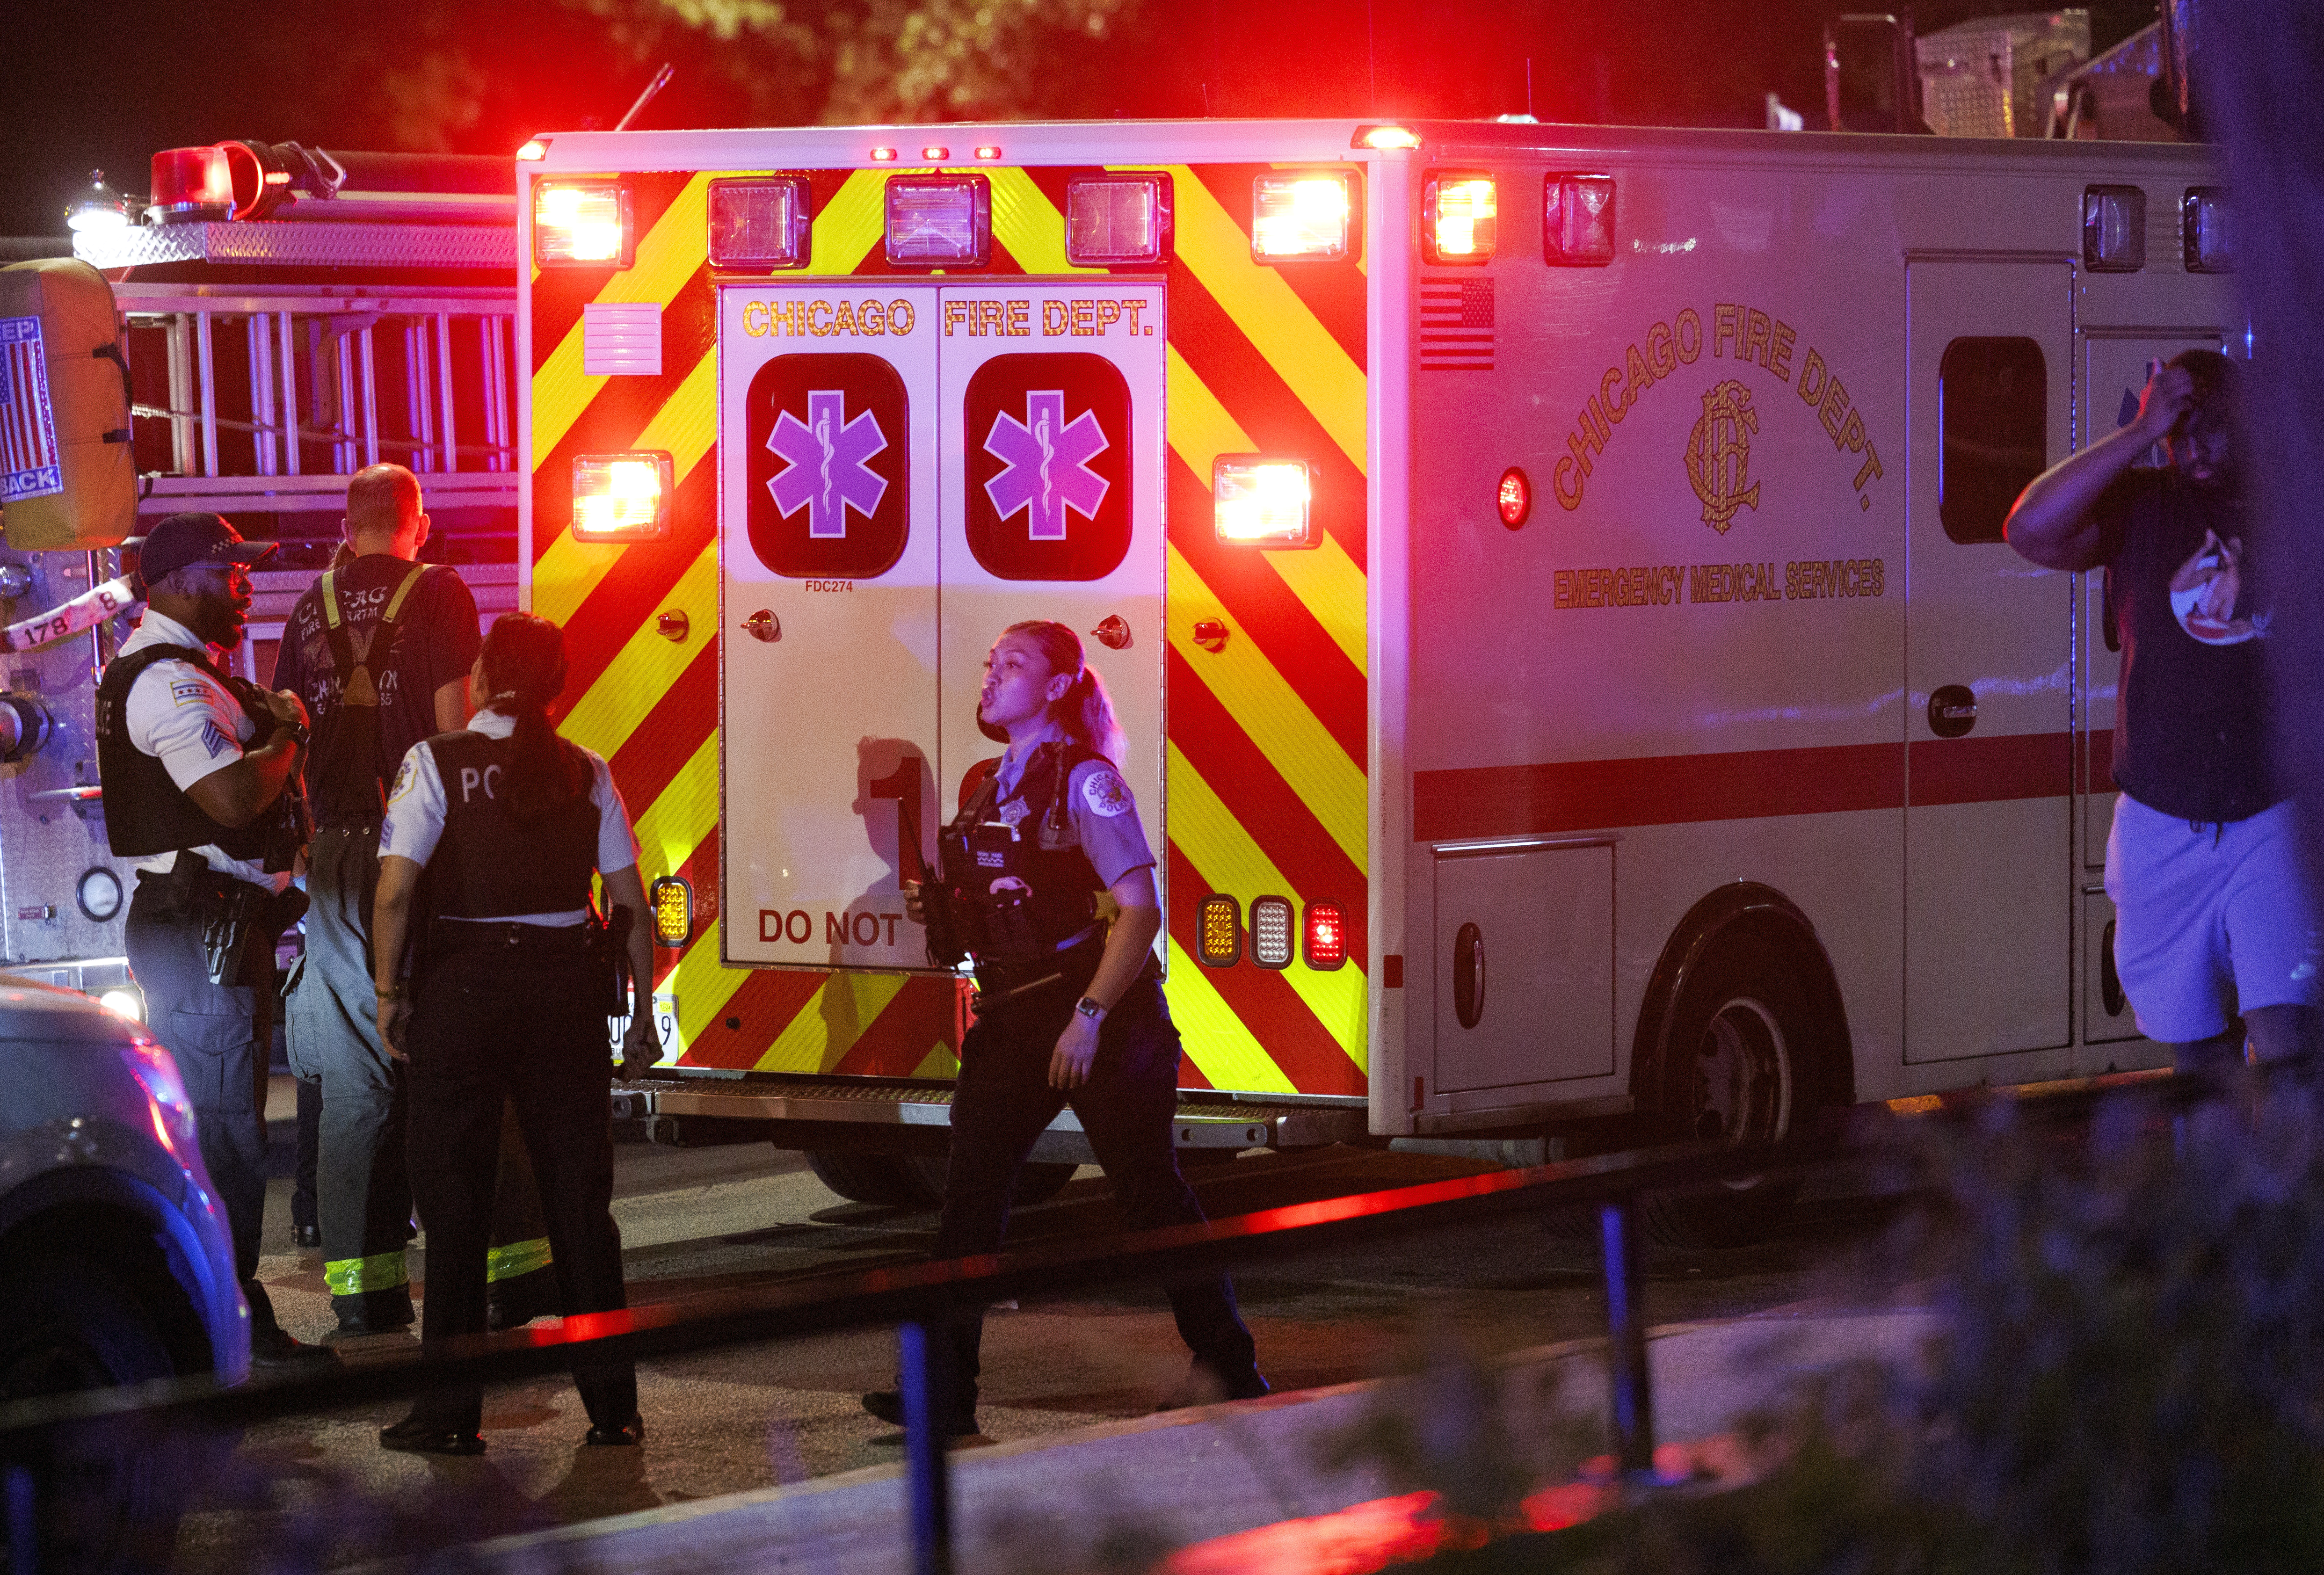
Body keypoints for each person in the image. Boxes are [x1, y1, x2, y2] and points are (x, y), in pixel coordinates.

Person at [863, 621, 1267, 1440]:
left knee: (1152, 1197)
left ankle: (1230, 1365)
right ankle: (945, 1395)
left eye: (1013, 665)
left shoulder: (1088, 783)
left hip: (1102, 1023)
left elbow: (1139, 910)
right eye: (990, 661)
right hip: (1013, 1018)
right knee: (968, 1204)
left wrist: (1088, 1018)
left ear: (1055, 688)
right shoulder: (988, 783)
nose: (992, 676)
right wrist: (946, 911)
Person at [368, 612, 657, 1454]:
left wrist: (390, 994)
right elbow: (630, 903)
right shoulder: (586, 770)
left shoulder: (434, 762)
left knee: (455, 1203)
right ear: (561, 683)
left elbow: (393, 894)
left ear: (486, 674)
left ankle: (449, 1415)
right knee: (579, 1202)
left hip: (464, 991)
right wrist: (640, 1011)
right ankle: (613, 1408)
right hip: (564, 995)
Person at [2004, 350, 2321, 1073]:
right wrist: (2139, 434)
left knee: (2284, 1044)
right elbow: (2028, 530)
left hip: (2271, 816)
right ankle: (2212, 1183)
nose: (2195, 444)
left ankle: (2284, 1183)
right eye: (2182, 429)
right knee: (2195, 1065)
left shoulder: (2293, 508)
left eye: (2213, 425)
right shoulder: (2143, 505)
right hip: (2159, 823)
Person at [94, 511, 333, 1369]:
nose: (246, 587)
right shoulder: (168, 682)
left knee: (224, 1126)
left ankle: (220, 1313)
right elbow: (236, 800)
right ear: (180, 582)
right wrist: (291, 736)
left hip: (212, 926)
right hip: (201, 929)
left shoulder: (187, 672)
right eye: (229, 573)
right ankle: (228, 1324)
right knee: (227, 1133)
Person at [273, 463, 487, 1338]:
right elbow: (452, 725)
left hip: (331, 855)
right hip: (412, 846)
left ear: (348, 522)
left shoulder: (304, 606)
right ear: (417, 523)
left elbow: (292, 720)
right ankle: (497, 1278)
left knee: (354, 1080)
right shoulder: (439, 593)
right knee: (444, 1057)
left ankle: (363, 1294)